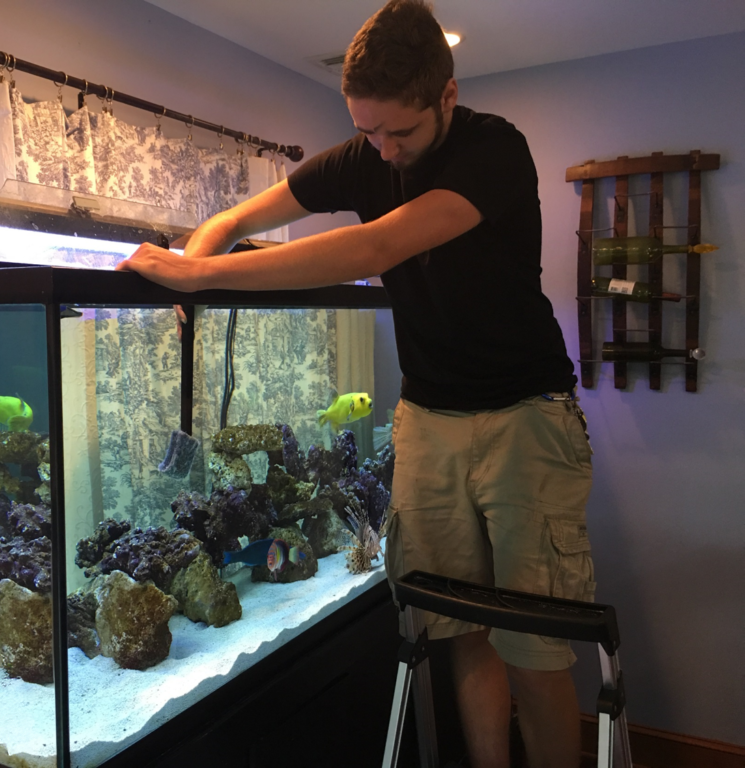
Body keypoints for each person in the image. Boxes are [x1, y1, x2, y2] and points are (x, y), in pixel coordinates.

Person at [117, 2, 594, 766]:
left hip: (524, 416)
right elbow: (238, 216)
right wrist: (194, 258)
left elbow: (374, 244)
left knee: (535, 646)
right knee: (457, 630)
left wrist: (199, 273)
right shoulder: (370, 151)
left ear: (445, 96)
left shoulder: (495, 149)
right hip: (428, 418)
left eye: (398, 132)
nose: (382, 149)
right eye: (368, 131)